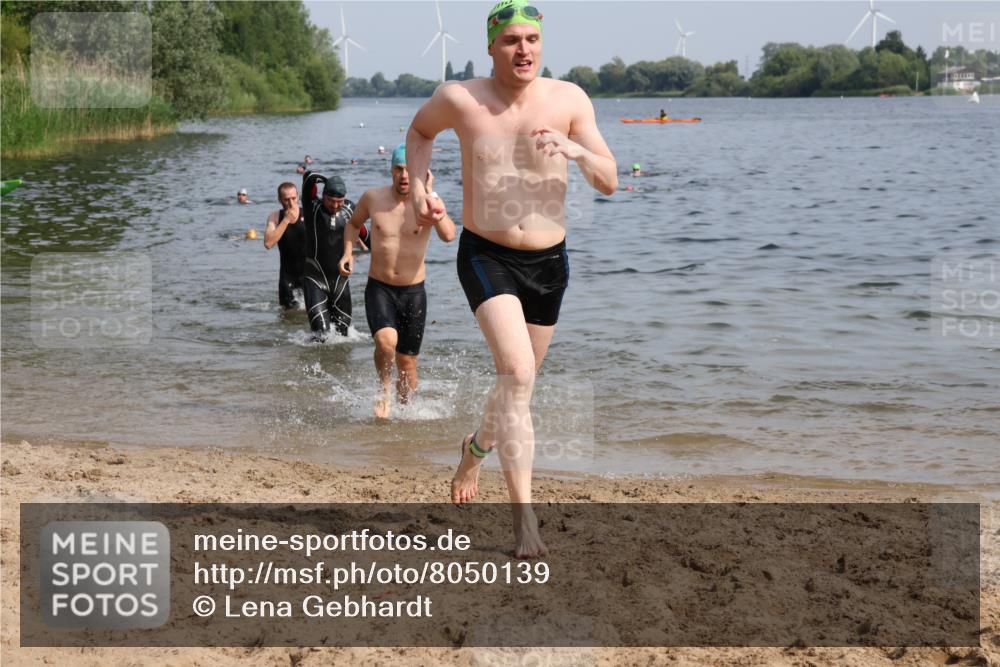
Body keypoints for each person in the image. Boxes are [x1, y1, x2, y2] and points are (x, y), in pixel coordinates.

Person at [406, 0, 617, 558]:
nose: (523, 49)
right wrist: (422, 189)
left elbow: (609, 180)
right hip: (486, 253)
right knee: (518, 373)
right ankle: (526, 523)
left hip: (550, 262)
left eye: (532, 39)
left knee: (516, 388)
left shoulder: (569, 99)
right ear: (491, 47)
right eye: (510, 40)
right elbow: (420, 131)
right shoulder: (461, 98)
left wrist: (575, 149)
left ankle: (474, 450)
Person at [338, 144, 455, 419]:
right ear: (391, 170)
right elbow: (353, 224)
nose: (404, 175)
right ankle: (384, 390)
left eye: (409, 170)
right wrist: (348, 253)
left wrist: (430, 194)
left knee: (407, 363)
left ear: (420, 173)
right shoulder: (373, 198)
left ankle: (404, 415)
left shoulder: (428, 204)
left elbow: (449, 235)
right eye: (399, 169)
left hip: (414, 292)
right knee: (386, 341)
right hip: (380, 287)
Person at [301, 172, 369, 337]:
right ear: (323, 196)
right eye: (331, 201)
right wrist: (328, 181)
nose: (335, 205)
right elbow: (309, 179)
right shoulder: (312, 206)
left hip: (340, 281)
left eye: (340, 201)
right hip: (315, 279)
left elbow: (366, 236)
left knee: (343, 336)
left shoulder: (350, 209)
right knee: (321, 335)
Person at [263, 182, 307, 309]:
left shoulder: (308, 214)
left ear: (298, 196)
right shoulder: (275, 217)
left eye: (294, 198)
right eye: (287, 199)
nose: (291, 203)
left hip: (310, 275)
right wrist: (286, 220)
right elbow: (268, 243)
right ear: (279, 199)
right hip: (287, 277)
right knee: (287, 316)